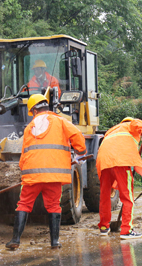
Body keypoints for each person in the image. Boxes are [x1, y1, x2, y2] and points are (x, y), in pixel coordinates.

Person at [6, 94, 87, 250]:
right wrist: (81, 150)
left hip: (33, 176)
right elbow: (77, 136)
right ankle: (54, 242)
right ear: (47, 107)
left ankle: (15, 240)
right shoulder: (61, 121)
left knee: (23, 204)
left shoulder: (30, 127)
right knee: (54, 206)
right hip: (54, 175)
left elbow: (24, 154)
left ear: (34, 110)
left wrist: (24, 170)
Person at [96, 117, 142, 239]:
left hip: (103, 162)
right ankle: (127, 230)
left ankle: (104, 227)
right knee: (127, 197)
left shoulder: (112, 130)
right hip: (121, 161)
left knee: (104, 196)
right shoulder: (131, 125)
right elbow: (137, 122)